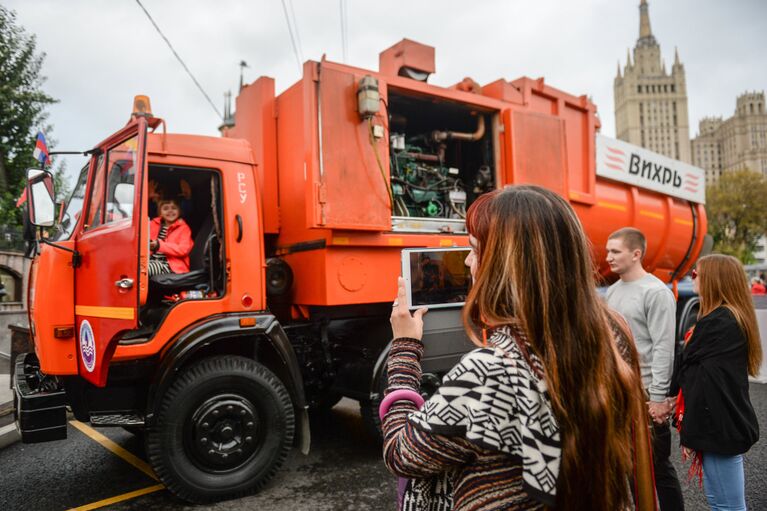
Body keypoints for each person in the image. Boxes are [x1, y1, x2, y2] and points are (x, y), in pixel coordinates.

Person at [382, 186, 649, 510]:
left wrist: (404, 349)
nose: (467, 262)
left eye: (475, 250)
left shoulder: (488, 372)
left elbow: (402, 454)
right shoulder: (612, 334)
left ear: (506, 265)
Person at [605, 227, 684, 510]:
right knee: (628, 467)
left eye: (615, 251)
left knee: (657, 468)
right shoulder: (611, 292)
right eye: (607, 251)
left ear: (636, 254)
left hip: (647, 393)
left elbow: (664, 347)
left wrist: (659, 397)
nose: (608, 257)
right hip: (619, 393)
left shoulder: (655, 292)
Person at [676, 255, 761, 511]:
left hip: (719, 426)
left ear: (714, 279)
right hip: (724, 424)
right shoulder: (729, 318)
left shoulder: (718, 322)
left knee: (727, 506)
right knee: (721, 502)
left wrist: (689, 434)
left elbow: (699, 383)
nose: (693, 279)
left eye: (696, 274)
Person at [148, 197, 193, 276]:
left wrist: (159, 245)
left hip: (170, 266)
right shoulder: (152, 224)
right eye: (165, 209)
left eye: (174, 208)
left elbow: (183, 250)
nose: (170, 211)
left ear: (179, 211)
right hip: (150, 260)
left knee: (142, 270)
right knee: (133, 265)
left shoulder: (184, 228)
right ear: (160, 212)